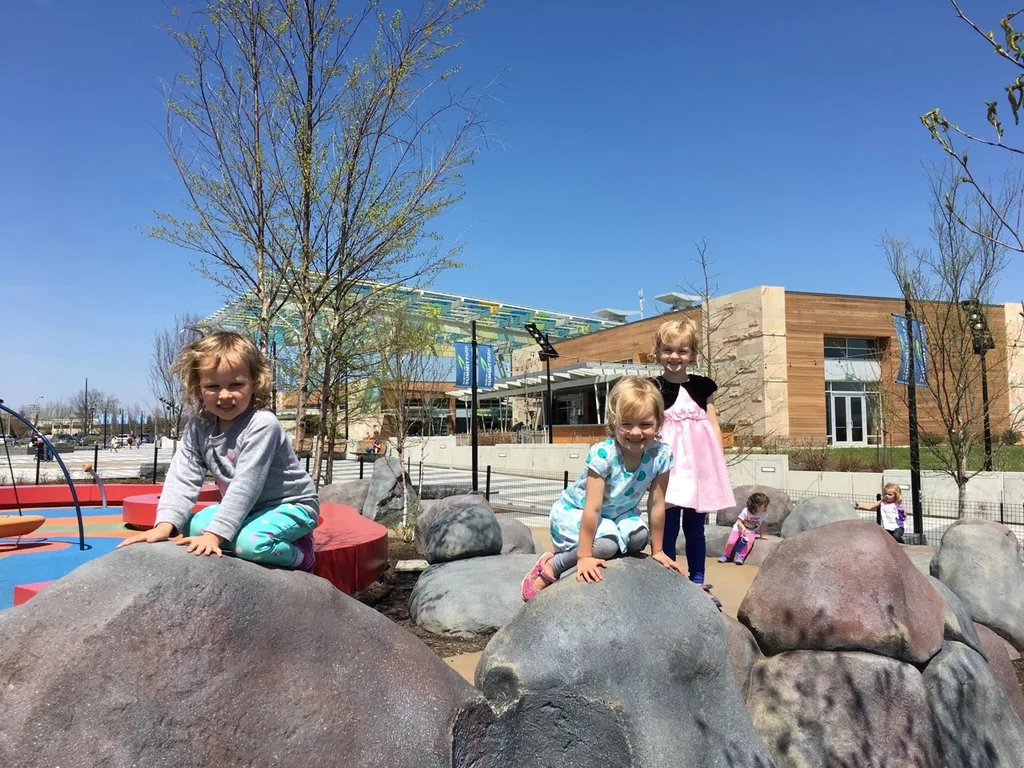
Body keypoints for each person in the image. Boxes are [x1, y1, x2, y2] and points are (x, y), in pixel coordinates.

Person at [118, 330, 320, 571]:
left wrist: (215, 536)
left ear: (255, 383)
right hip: (250, 508)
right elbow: (183, 477)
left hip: (290, 505)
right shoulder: (199, 424)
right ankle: (237, 533)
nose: (224, 395)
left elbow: (247, 485)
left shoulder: (262, 424)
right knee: (189, 527)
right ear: (198, 387)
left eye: (236, 385)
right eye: (213, 386)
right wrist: (164, 525)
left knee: (250, 545)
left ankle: (301, 554)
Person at [521, 376, 684, 600]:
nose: (636, 432)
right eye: (627, 424)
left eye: (645, 424)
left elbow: (656, 504)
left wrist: (658, 551)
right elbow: (593, 508)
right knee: (606, 546)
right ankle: (551, 565)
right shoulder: (604, 454)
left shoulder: (661, 454)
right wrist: (585, 556)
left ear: (658, 423)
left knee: (639, 538)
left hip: (618, 514)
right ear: (614, 423)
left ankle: (610, 540)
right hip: (577, 511)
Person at [652, 317, 735, 587]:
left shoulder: (703, 386)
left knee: (695, 527)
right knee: (667, 522)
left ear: (692, 354)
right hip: (669, 469)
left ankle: (698, 577)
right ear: (658, 352)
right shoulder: (653, 387)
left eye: (682, 350)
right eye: (667, 350)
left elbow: (712, 422)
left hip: (699, 466)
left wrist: (718, 461)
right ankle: (666, 576)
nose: (674, 356)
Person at [720, 492, 770, 565]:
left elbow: (762, 523)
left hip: (750, 530)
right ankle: (726, 555)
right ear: (757, 505)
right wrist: (743, 528)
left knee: (749, 541)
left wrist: (762, 535)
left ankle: (741, 557)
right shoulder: (746, 511)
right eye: (764, 505)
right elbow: (739, 521)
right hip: (738, 528)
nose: (766, 507)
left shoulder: (763, 514)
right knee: (731, 541)